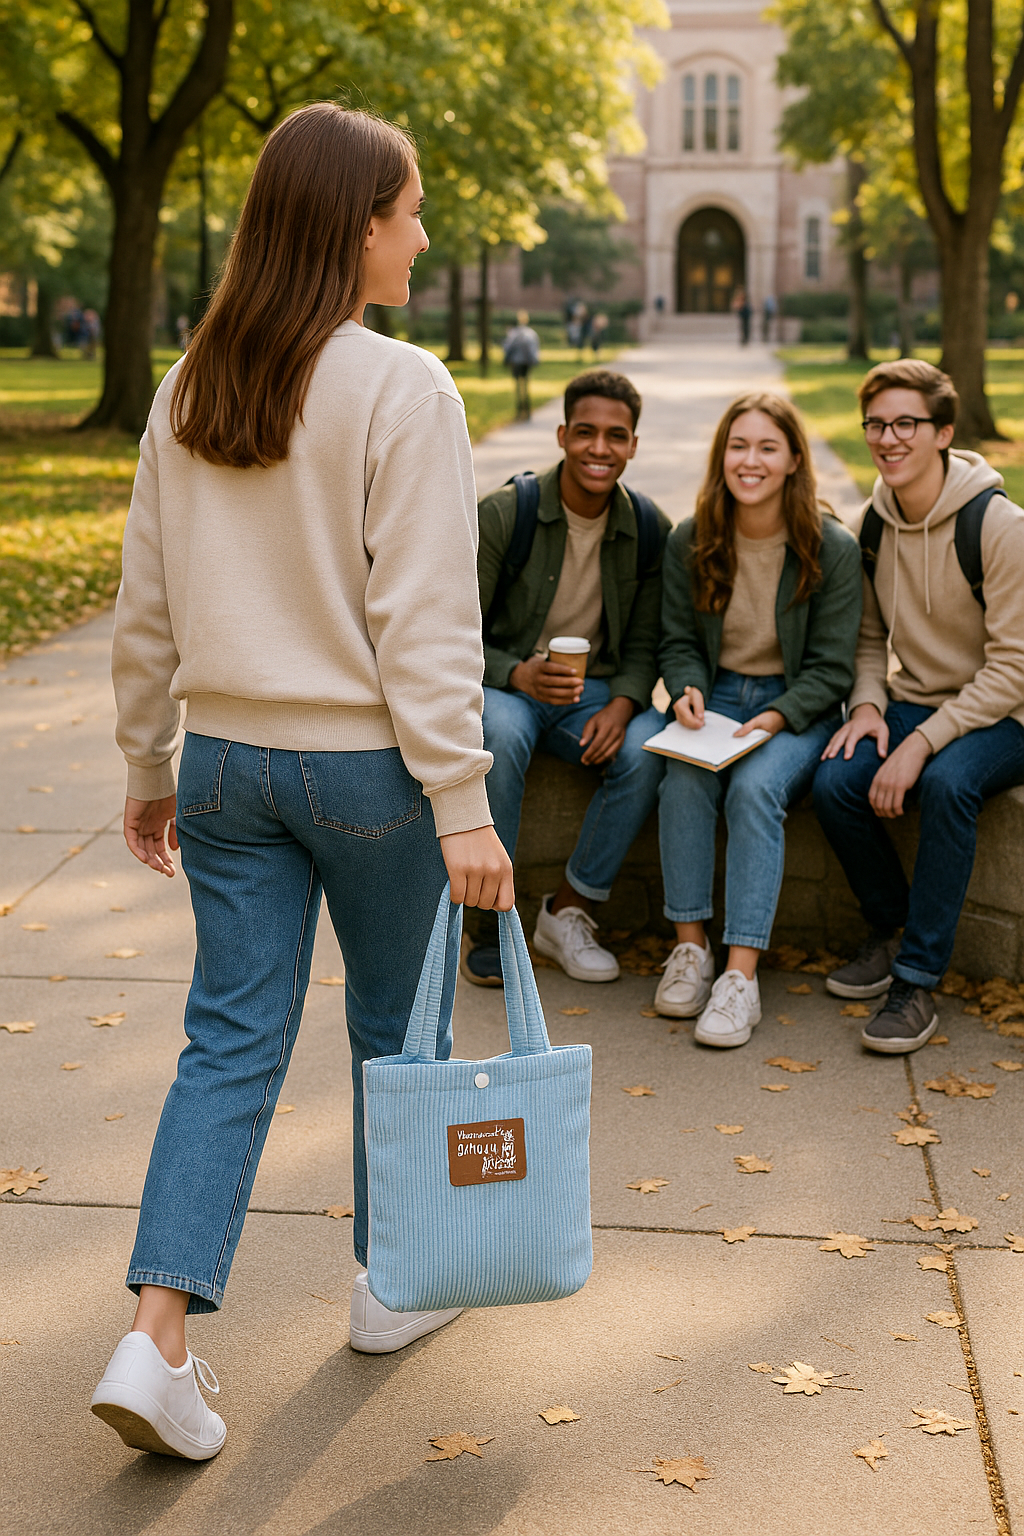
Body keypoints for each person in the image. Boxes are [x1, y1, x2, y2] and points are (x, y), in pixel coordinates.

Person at [90, 103, 514, 1461]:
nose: (425, 233)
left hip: (224, 765)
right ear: (356, 226)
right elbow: (429, 625)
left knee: (227, 1041)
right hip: (370, 775)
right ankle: (393, 1287)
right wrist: (465, 805)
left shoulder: (191, 382)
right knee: (402, 1040)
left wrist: (149, 762)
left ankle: (155, 1337)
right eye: (411, 211)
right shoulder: (405, 387)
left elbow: (144, 607)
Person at [814, 359, 1024, 1053]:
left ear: (943, 432)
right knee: (836, 781)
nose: (888, 438)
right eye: (876, 423)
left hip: (1007, 712)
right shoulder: (873, 525)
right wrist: (870, 707)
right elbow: (869, 640)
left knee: (946, 784)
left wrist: (922, 741)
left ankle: (917, 977)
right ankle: (891, 925)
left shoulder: (998, 526)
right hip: (919, 700)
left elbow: (1014, 667)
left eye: (907, 423)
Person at [654, 394, 861, 1045]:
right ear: (722, 457)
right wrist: (685, 688)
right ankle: (691, 949)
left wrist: (778, 715)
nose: (751, 461)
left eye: (768, 447)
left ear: (795, 459)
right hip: (715, 697)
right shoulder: (693, 537)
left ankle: (739, 978)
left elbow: (832, 668)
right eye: (738, 446)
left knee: (754, 790)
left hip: (797, 705)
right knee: (682, 780)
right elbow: (679, 639)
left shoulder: (831, 547)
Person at [463, 369, 670, 986]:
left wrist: (628, 701)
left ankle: (568, 910)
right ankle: (489, 921)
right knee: (499, 736)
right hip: (508, 686)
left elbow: (644, 644)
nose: (599, 449)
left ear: (633, 444)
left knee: (648, 750)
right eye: (585, 433)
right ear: (562, 435)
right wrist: (516, 673)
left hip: (594, 693)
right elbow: (450, 629)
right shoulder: (506, 514)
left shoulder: (649, 530)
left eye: (615, 436)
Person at [503, 309, 541, 420]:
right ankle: (527, 410)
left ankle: (519, 411)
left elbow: (507, 347)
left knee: (518, 387)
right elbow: (535, 350)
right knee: (526, 385)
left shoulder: (513, 333)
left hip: (516, 363)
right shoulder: (531, 333)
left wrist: (506, 360)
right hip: (527, 363)